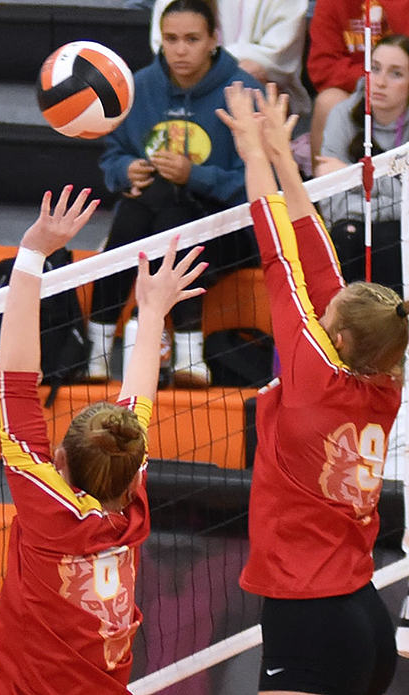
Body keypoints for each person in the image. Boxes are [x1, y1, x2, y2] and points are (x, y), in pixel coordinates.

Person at [218, 82, 405, 695]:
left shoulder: (310, 378)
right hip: (363, 614)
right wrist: (283, 160)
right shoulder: (386, 381)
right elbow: (320, 265)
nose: (318, 317)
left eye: (329, 320)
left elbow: (281, 256)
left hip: (308, 615)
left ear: (342, 339)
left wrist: (254, 155)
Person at [0, 185, 206, 694]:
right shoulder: (132, 505)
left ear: (58, 460)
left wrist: (34, 251)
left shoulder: (52, 513)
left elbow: (17, 377)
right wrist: (151, 314)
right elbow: (131, 404)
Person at [87, 0, 261, 387]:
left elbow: (261, 184)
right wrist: (124, 170)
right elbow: (113, 155)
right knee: (156, 205)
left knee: (170, 211)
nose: (180, 50)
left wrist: (195, 176)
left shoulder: (244, 92)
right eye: (171, 39)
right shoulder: (138, 88)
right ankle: (187, 355)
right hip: (157, 223)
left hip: (228, 231)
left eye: (192, 39)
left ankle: (98, 348)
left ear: (214, 40)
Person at [315, 33, 409, 293]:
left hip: (400, 234)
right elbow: (331, 203)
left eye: (396, 74)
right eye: (375, 69)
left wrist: (352, 176)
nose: (379, 82)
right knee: (347, 234)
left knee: (387, 237)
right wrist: (388, 195)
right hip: (351, 228)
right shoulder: (342, 114)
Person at [151, 0, 312, 116]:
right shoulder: (144, 83)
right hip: (187, 84)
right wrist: (226, 65)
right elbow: (164, 46)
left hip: (258, 86)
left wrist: (222, 66)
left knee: (251, 75)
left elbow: (278, 56)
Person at [307, 0, 409, 170]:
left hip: (401, 91)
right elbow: (322, 67)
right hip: (350, 90)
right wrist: (370, 77)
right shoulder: (330, 4)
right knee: (328, 101)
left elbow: (404, 51)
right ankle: (317, 190)